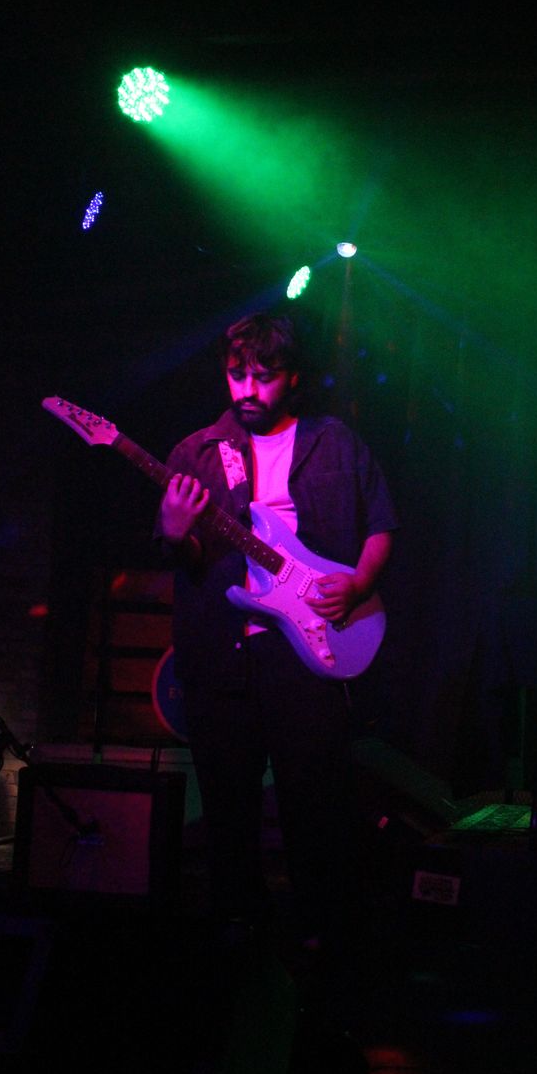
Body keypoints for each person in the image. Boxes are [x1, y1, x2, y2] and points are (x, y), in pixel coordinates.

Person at [156, 311, 396, 964]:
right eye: (237, 375)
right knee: (227, 803)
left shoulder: (335, 443)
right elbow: (185, 558)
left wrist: (358, 584)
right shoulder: (196, 453)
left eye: (263, 376)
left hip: (307, 656)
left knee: (313, 802)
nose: (247, 390)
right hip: (221, 653)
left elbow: (381, 523)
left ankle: (322, 932)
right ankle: (238, 926)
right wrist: (176, 534)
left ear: (293, 378)